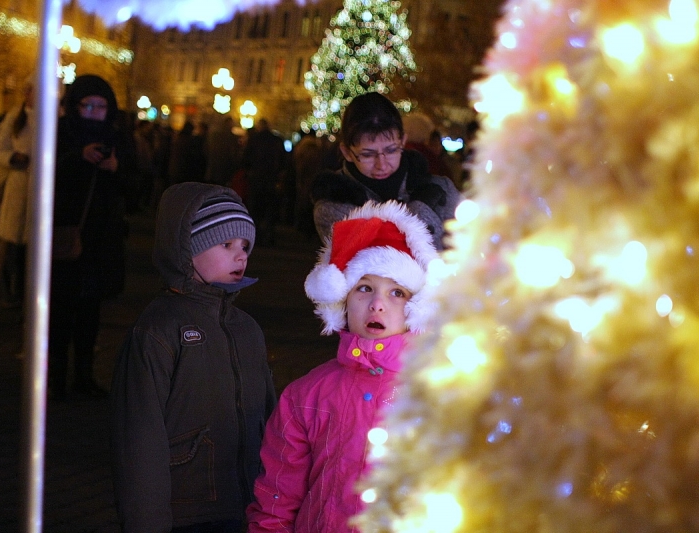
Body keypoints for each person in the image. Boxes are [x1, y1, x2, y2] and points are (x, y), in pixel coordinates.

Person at [246, 200, 438, 532]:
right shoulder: (305, 395)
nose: (377, 304)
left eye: (397, 293)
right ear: (342, 300)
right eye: (364, 288)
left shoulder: (437, 392)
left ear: (417, 307)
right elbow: (277, 496)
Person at [110, 182, 277, 533]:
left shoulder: (248, 329)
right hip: (185, 512)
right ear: (187, 249)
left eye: (246, 245)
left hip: (248, 504)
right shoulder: (159, 329)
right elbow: (139, 438)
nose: (241, 255)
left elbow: (271, 418)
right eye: (226, 244)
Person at [49, 74, 131, 400]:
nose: (95, 112)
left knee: (90, 312)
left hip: (100, 240)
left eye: (101, 106)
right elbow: (47, 175)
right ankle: (55, 378)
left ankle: (84, 375)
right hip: (67, 235)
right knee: (60, 311)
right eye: (89, 105)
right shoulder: (61, 133)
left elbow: (134, 187)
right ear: (75, 106)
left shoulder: (116, 138)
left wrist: (116, 168)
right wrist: (77, 158)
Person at [311, 92, 461, 251]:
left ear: (403, 142)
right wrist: (420, 210)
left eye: (391, 151)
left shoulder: (441, 188)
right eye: (367, 154)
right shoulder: (332, 204)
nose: (381, 165)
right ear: (347, 152)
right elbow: (383, 258)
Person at [0, 77, 33, 308]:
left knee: (29, 247)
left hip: (35, 190)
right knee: (6, 242)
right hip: (16, 185)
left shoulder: (53, 118)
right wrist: (13, 158)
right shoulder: (16, 116)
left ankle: (23, 293)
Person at [240, 118, 287, 246]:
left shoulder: (254, 140)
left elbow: (245, 159)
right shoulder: (277, 140)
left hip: (256, 179)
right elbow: (284, 161)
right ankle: (269, 234)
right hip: (271, 179)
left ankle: (257, 236)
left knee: (256, 209)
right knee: (270, 209)